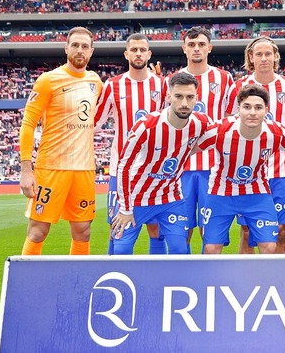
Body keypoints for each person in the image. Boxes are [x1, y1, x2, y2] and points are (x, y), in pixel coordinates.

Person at [19, 27, 103, 256]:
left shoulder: (96, 82)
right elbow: (28, 124)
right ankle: (26, 287)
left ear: (91, 52)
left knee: (83, 231)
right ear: (66, 48)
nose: (79, 50)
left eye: (85, 46)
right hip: (51, 168)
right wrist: (26, 170)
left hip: (84, 169)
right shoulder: (48, 81)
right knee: (37, 231)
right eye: (75, 45)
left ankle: (78, 284)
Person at [110, 72, 213, 255]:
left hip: (169, 198)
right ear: (168, 97)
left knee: (179, 249)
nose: (184, 103)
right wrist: (125, 208)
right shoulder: (146, 126)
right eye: (178, 96)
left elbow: (217, 138)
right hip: (136, 198)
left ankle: (176, 283)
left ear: (197, 98)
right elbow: (124, 166)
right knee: (122, 251)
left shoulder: (201, 122)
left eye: (190, 97)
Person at [199, 85, 285, 254]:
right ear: (238, 109)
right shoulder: (220, 130)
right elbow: (190, 148)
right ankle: (214, 280)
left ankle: (264, 281)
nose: (252, 112)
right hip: (221, 193)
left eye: (258, 107)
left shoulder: (275, 131)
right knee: (211, 248)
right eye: (247, 107)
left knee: (269, 247)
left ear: (266, 110)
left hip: (257, 193)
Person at [227, 36, 285, 253]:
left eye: (268, 53)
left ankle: (281, 282)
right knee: (247, 232)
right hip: (248, 173)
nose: (263, 58)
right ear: (251, 57)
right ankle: (247, 283)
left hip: (281, 170)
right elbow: (229, 126)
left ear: (276, 56)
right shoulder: (239, 86)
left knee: (282, 231)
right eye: (258, 54)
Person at [94, 33, 165, 254]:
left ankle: (158, 283)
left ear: (149, 54)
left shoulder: (162, 85)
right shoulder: (113, 85)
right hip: (121, 169)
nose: (138, 53)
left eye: (142, 50)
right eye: (134, 49)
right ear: (126, 54)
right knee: (117, 227)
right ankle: (113, 277)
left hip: (155, 169)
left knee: (156, 228)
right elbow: (95, 123)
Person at [170, 26, 236, 252]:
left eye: (200, 44)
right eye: (191, 44)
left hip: (215, 167)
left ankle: (208, 279)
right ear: (184, 49)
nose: (196, 48)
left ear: (209, 47)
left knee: (210, 232)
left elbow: (230, 118)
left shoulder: (225, 78)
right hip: (181, 167)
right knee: (181, 230)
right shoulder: (173, 79)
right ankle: (183, 278)